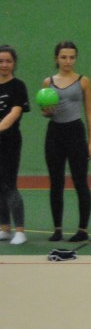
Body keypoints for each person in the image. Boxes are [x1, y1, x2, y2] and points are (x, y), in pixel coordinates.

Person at [41, 41, 91, 243]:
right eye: (64, 57)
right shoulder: (48, 82)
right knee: (56, 182)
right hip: (55, 134)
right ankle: (57, 229)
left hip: (75, 133)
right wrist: (47, 112)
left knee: (80, 181)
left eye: (72, 57)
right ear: (57, 58)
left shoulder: (83, 81)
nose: (68, 61)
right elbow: (45, 111)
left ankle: (83, 229)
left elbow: (89, 111)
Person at [0, 45, 30, 245]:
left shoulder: (18, 86)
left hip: (9, 142)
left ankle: (20, 231)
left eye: (8, 61)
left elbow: (15, 112)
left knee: (9, 185)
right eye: (1, 61)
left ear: (14, 63)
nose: (4, 65)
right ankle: (4, 228)